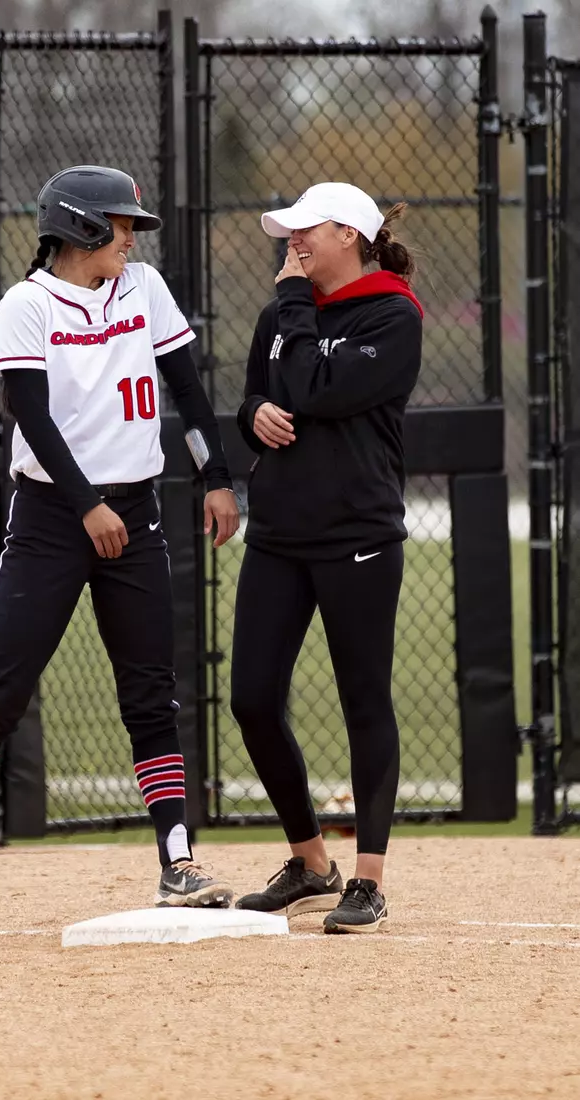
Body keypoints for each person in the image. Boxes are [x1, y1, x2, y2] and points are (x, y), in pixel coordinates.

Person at [0, 165, 240, 931]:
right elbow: (31, 414)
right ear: (81, 228)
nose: (130, 238)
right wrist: (86, 504)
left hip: (137, 511)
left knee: (152, 696)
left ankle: (177, 862)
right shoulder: (26, 305)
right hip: (53, 518)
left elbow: (187, 390)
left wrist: (216, 475)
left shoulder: (144, 289)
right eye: (119, 225)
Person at [230, 182, 423, 933]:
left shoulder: (392, 313)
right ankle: (312, 862)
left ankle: (367, 881)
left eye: (305, 232)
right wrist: (256, 416)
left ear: (349, 233)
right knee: (251, 699)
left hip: (359, 537)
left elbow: (317, 384)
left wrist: (295, 316)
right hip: (279, 534)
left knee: (363, 701)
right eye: (288, 235)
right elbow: (254, 401)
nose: (292, 245)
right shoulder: (282, 313)